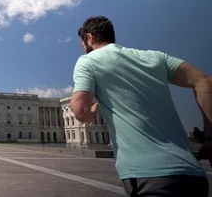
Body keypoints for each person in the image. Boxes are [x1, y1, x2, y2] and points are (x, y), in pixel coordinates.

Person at [70, 16, 212, 196]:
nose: (83, 48)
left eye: (82, 44)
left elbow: (80, 112)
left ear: (89, 37)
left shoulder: (88, 61)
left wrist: (93, 110)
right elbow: (205, 82)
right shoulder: (155, 56)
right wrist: (210, 139)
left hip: (148, 175)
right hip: (192, 172)